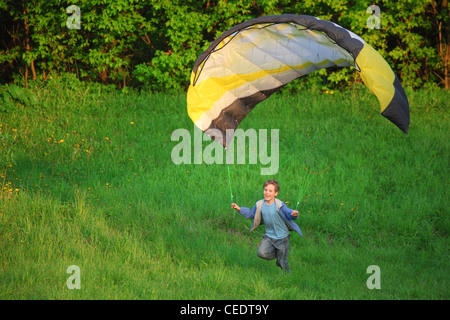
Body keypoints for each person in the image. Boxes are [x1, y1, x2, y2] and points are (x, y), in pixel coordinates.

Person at [231, 179, 302, 273]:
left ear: (276, 193)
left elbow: (288, 212)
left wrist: (294, 213)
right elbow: (251, 214)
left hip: (282, 237)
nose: (267, 193)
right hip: (269, 236)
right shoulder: (260, 204)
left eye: (270, 191)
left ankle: (287, 275)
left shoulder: (279, 205)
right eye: (265, 190)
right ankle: (279, 254)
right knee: (261, 253)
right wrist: (239, 209)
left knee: (282, 261)